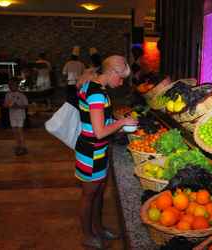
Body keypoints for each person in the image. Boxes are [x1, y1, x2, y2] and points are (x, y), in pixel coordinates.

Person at [75, 55, 137, 249]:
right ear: (112, 72)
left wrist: (115, 117)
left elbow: (98, 119)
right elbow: (99, 132)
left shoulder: (95, 86)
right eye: (121, 78)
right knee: (89, 195)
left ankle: (99, 229)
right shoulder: (96, 94)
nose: (121, 82)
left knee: (99, 193)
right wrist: (122, 123)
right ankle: (87, 235)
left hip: (97, 151)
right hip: (91, 153)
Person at [3, 77, 29, 156]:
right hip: (12, 115)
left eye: (13, 85)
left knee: (20, 131)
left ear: (17, 85)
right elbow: (5, 104)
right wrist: (8, 105)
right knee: (14, 131)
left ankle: (23, 146)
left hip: (20, 115)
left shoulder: (21, 95)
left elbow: (26, 105)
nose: (11, 86)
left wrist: (17, 106)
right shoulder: (8, 95)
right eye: (10, 85)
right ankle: (18, 145)